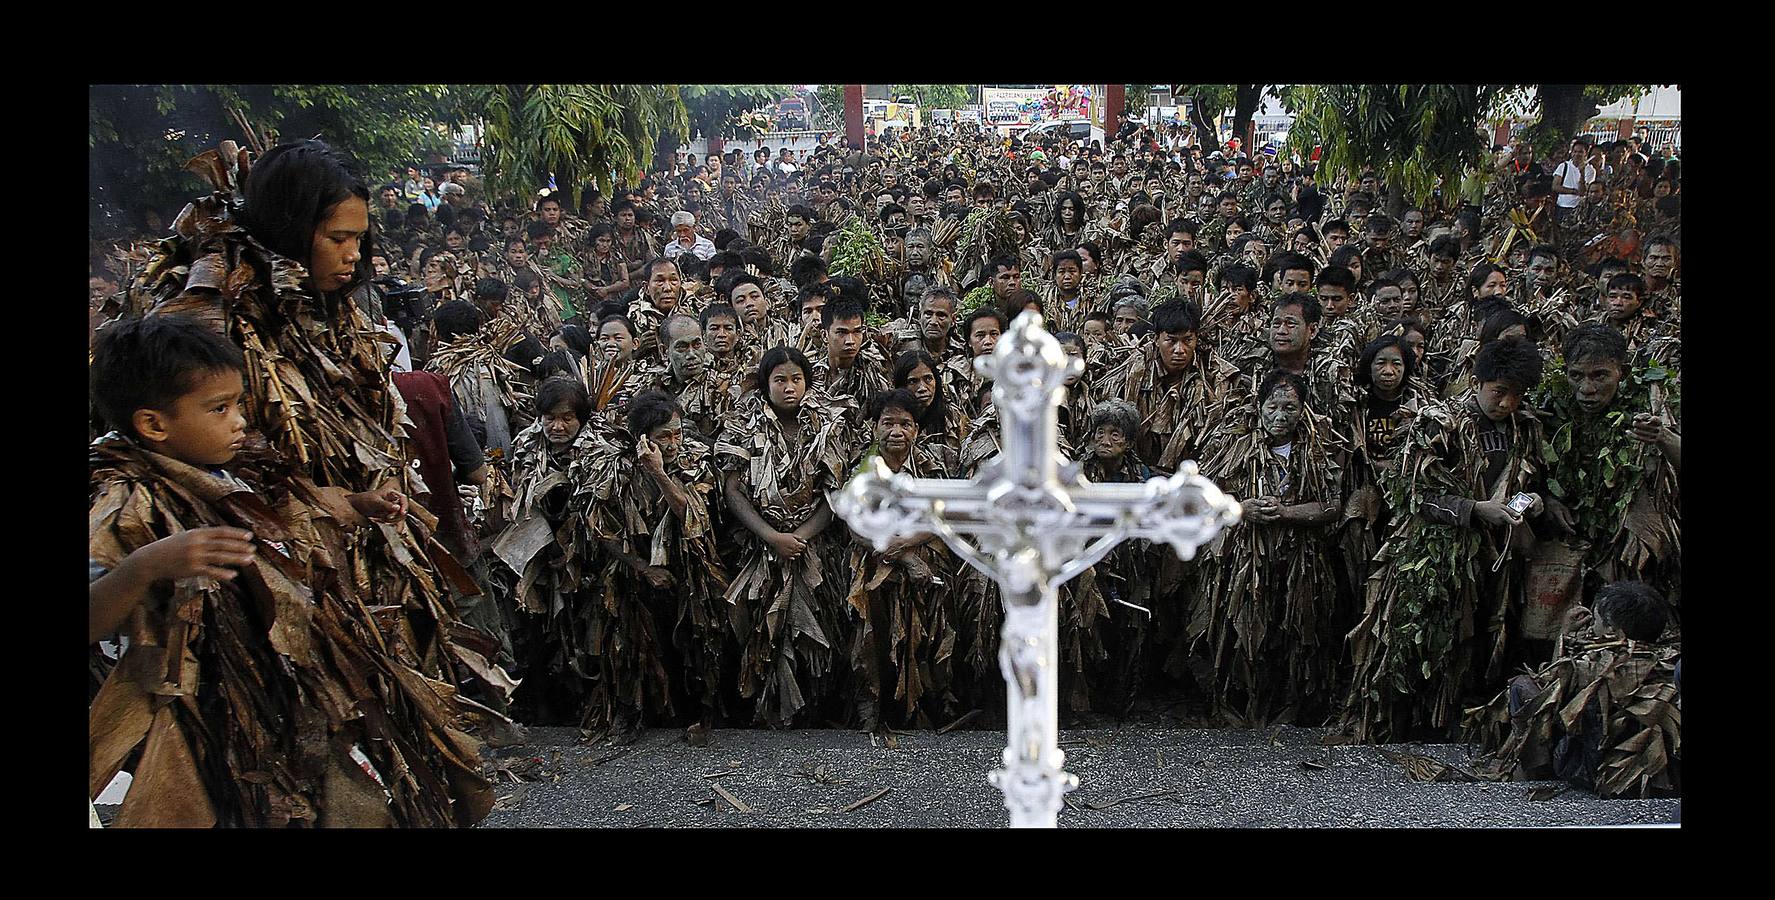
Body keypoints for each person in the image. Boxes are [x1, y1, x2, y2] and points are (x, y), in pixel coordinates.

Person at [89, 313, 494, 827]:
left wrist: (358, 504)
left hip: (284, 703)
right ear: (153, 424)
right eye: (218, 409)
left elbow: (291, 520)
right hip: (207, 722)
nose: (238, 420)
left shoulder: (232, 474)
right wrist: (144, 567)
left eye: (237, 403)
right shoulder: (121, 502)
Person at [1344, 336, 1548, 742]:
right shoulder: (1439, 423)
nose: (1506, 403)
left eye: (1516, 395)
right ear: (1476, 381)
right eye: (1499, 392)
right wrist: (1475, 509)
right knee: (1421, 639)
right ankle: (1404, 725)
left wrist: (1537, 499)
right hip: (1433, 557)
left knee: (1480, 635)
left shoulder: (1524, 427)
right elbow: (1414, 496)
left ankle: (1460, 717)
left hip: (1493, 555)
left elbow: (1532, 474)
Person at [1193, 369, 1346, 724]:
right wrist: (1241, 508)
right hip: (1241, 563)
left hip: (1299, 562)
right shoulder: (1231, 444)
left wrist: (1288, 512)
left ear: (1303, 410)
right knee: (1238, 631)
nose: (1280, 416)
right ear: (1259, 406)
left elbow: (1332, 505)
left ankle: (1288, 711)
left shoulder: (1318, 449)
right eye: (1272, 407)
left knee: (1293, 634)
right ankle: (1233, 707)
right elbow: (1203, 498)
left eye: (1290, 408)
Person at [579, 389, 731, 743]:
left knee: (696, 649)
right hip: (634, 575)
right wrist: (642, 567)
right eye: (665, 436)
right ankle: (637, 719)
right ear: (643, 438)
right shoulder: (614, 468)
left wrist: (661, 474)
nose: (675, 442)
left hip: (690, 574)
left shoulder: (695, 460)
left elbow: (694, 518)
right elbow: (601, 529)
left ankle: (701, 717)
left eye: (678, 433)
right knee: (635, 650)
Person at [716, 347, 852, 727]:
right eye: (780, 380)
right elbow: (732, 491)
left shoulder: (827, 425)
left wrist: (800, 537)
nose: (789, 387)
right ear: (766, 384)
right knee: (762, 630)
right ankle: (766, 713)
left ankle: (815, 714)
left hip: (814, 549)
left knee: (819, 632)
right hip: (760, 548)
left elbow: (834, 491)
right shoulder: (744, 425)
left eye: (796, 379)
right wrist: (773, 536)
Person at [1468, 580, 1679, 797]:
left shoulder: (1598, 665)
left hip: (1592, 772)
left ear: (1613, 630)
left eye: (1595, 620)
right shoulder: (1668, 662)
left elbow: (1549, 699)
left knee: (1522, 685)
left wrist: (1563, 637)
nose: (1590, 627)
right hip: (1643, 773)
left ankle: (1539, 774)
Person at [843, 389, 958, 732]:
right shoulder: (863, 470)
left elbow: (941, 516)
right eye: (888, 423)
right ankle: (871, 707)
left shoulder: (928, 467)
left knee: (930, 627)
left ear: (916, 430)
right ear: (874, 428)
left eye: (905, 424)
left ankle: (926, 707)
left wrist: (907, 545)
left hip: (921, 552)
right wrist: (895, 552)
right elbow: (853, 526)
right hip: (872, 557)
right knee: (873, 627)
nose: (897, 431)